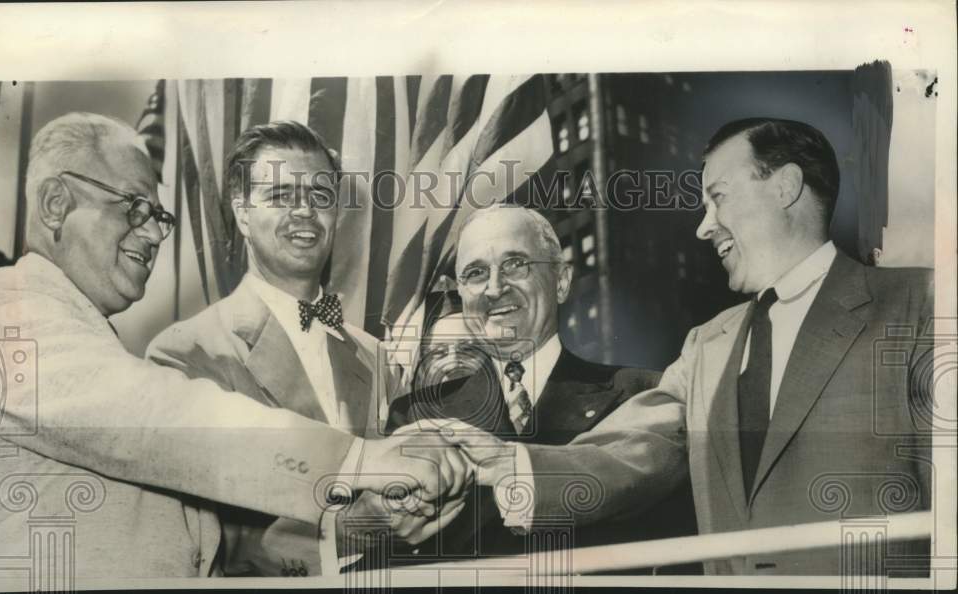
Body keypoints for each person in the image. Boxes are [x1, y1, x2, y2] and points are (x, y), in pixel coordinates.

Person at [0, 112, 465, 585]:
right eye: (134, 207)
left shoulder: (86, 335)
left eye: (158, 216)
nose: (152, 234)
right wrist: (360, 462)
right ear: (55, 204)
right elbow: (159, 420)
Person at [441, 118, 934, 575]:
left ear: (785, 186)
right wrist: (506, 465)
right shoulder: (705, 346)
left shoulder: (922, 304)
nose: (703, 226)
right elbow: (624, 454)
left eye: (718, 198)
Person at [146, 120, 467, 576]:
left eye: (320, 197)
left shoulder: (377, 359)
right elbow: (199, 543)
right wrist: (347, 530)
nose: (304, 212)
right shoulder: (184, 356)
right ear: (242, 213)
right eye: (280, 196)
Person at [387, 204, 698, 571]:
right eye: (475, 273)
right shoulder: (415, 416)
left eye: (516, 264)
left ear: (562, 281)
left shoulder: (643, 395)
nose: (494, 288)